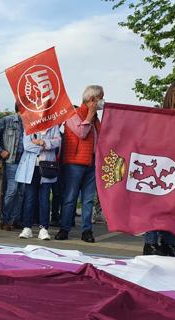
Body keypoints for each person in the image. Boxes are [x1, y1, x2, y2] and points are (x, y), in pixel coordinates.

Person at [143, 82, 175, 257]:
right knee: (156, 205)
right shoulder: (162, 116)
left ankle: (169, 244)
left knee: (174, 207)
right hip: (162, 165)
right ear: (171, 96)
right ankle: (150, 243)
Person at [55, 85, 104, 243]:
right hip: (74, 163)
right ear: (92, 100)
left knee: (88, 199)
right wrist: (89, 115)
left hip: (92, 162)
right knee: (70, 197)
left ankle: (86, 231)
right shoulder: (73, 115)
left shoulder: (96, 118)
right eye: (100, 98)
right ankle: (64, 229)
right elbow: (82, 133)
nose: (102, 101)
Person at [16, 126, 62, 240]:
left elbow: (58, 142)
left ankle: (44, 228)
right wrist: (44, 147)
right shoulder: (30, 125)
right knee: (29, 199)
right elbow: (26, 145)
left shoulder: (53, 126)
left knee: (45, 199)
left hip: (46, 167)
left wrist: (42, 142)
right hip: (31, 167)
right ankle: (27, 227)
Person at [0, 102, 25, 231]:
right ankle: (4, 219)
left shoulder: (31, 124)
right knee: (12, 190)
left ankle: (13, 220)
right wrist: (1, 151)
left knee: (21, 192)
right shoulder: (7, 121)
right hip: (11, 161)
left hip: (24, 162)